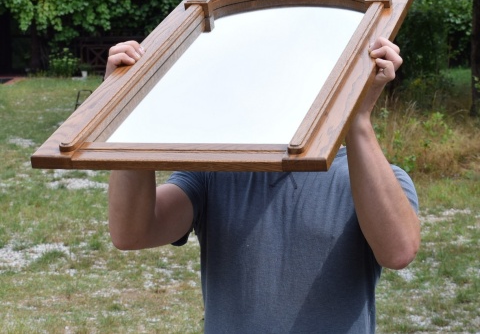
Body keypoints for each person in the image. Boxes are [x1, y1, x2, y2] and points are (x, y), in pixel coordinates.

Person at [106, 37, 420, 333]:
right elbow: (132, 232)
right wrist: (129, 112)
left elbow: (398, 252)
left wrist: (357, 117)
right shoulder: (216, 170)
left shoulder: (370, 177)